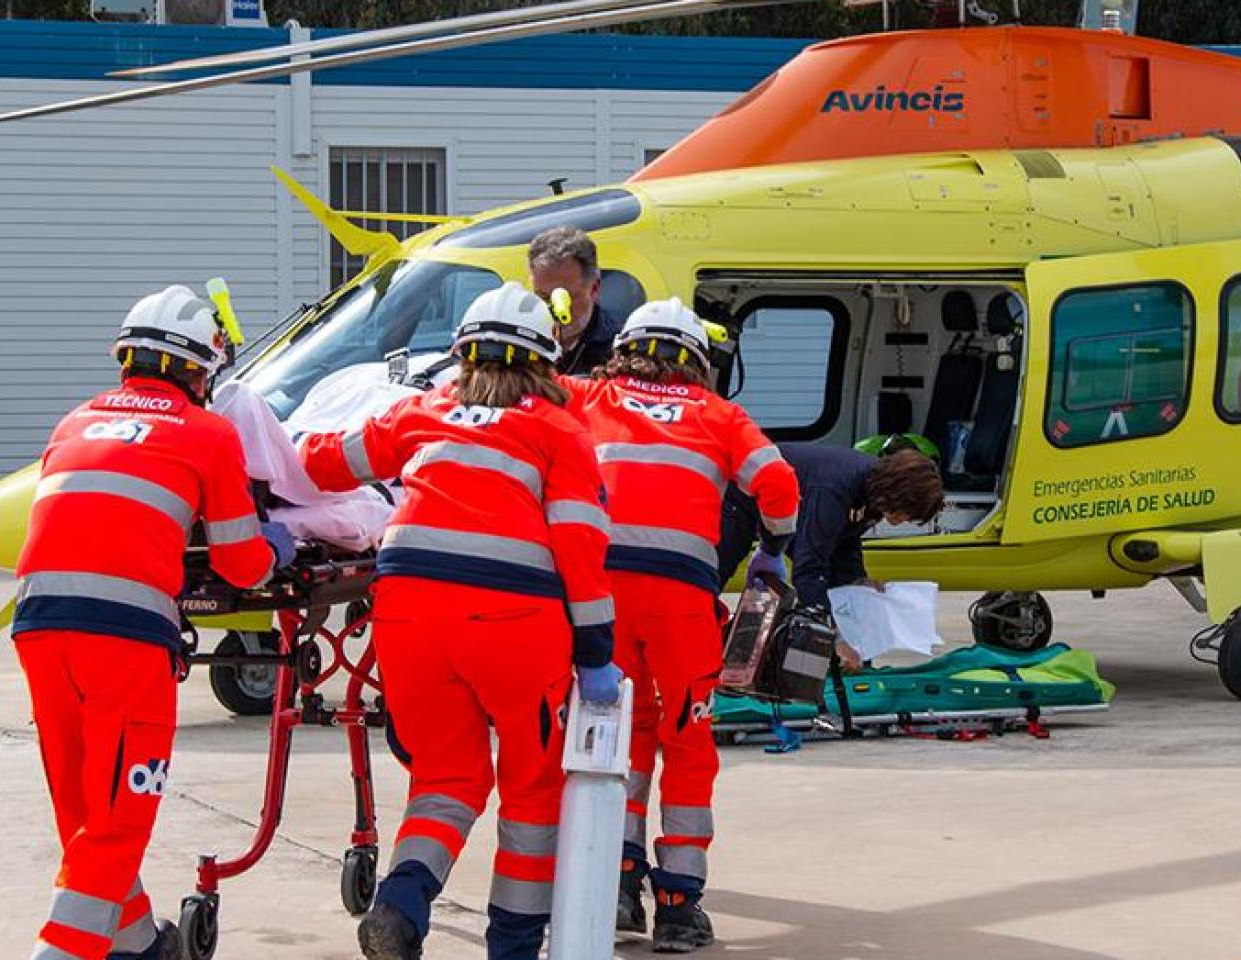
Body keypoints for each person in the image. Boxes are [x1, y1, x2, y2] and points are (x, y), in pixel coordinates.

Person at [299, 281, 621, 960]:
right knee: (533, 789)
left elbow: (327, 461)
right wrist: (595, 648)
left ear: (462, 355)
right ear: (544, 361)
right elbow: (580, 545)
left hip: (407, 610)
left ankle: (403, 903)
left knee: (445, 777)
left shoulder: (426, 409)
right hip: (513, 619)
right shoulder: (559, 430)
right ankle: (511, 946)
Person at [12, 285, 296, 960]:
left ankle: (137, 939)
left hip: (39, 624)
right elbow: (239, 563)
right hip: (125, 635)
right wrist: (276, 546)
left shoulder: (75, 421)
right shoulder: (208, 432)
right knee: (121, 813)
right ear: (201, 372)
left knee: (84, 800)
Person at [562, 299, 799, 953]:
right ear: (697, 360)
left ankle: (615, 884)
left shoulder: (587, 395)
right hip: (679, 603)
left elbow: (512, 399)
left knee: (619, 737)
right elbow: (777, 483)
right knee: (687, 742)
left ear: (626, 348)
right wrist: (773, 549)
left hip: (598, 597)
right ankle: (677, 905)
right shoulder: (720, 415)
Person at [718, 443, 945, 661]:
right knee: (714, 574)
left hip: (787, 501)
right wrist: (829, 636)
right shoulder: (835, 489)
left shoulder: (872, 490)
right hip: (739, 495)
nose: (901, 521)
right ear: (895, 493)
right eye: (904, 513)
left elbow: (845, 542)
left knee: (836, 585)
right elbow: (808, 566)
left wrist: (857, 582)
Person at [528, 225, 622, 376]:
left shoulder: (619, 351)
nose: (554, 311)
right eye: (543, 297)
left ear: (594, 288)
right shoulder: (519, 343)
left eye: (564, 298)